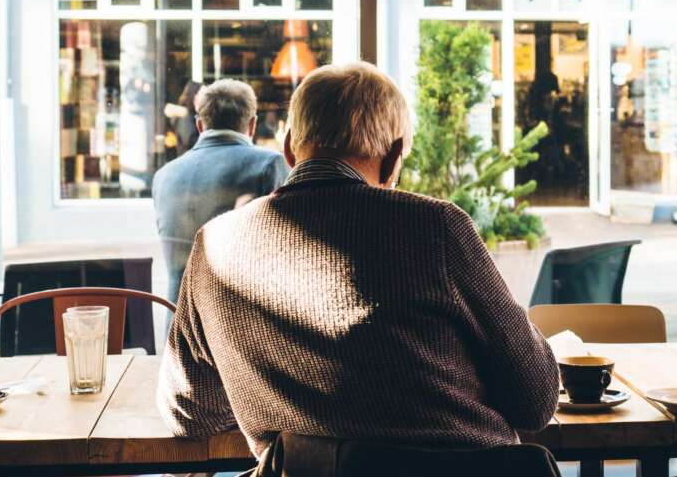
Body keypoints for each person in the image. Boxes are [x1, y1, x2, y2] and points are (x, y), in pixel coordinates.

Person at [157, 62, 559, 461]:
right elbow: (535, 400)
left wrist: (274, 393)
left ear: (289, 147)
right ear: (393, 156)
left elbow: (190, 413)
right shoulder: (436, 228)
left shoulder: (215, 245)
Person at [152, 78, 289, 304]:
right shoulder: (268, 165)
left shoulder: (164, 175)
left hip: (178, 325)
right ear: (253, 124)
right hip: (237, 325)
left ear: (199, 125)